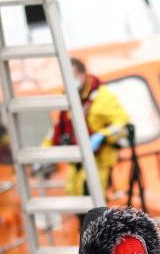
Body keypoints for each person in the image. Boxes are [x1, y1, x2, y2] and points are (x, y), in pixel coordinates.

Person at [44, 58, 130, 197]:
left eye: (73, 76)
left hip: (99, 159)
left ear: (83, 74)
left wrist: (102, 135)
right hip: (76, 159)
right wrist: (45, 152)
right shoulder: (68, 98)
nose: (69, 80)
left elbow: (122, 123)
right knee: (73, 192)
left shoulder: (103, 97)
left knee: (93, 195)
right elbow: (57, 130)